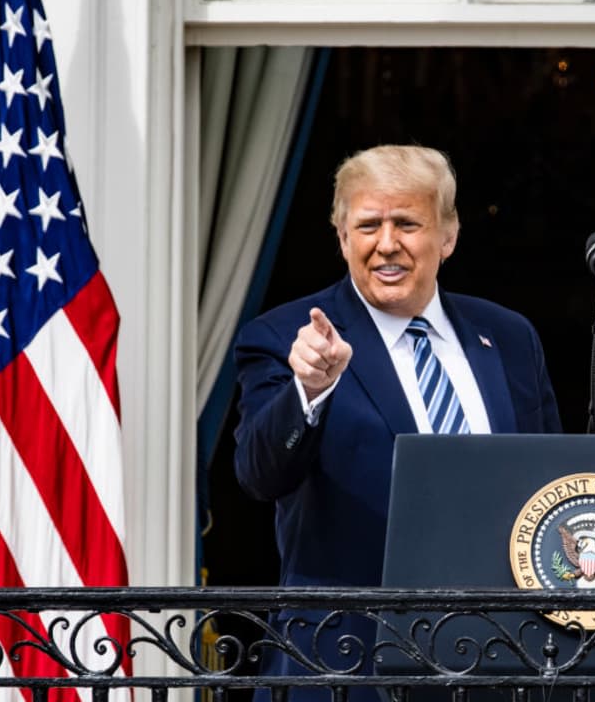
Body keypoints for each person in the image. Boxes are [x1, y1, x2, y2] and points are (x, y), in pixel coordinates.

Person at [232, 144, 562, 686]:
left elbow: (549, 478)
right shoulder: (285, 338)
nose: (387, 245)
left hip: (502, 659)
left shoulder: (507, 337)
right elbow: (258, 474)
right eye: (368, 226)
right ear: (342, 238)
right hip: (347, 661)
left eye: (407, 223)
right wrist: (309, 390)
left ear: (448, 236)